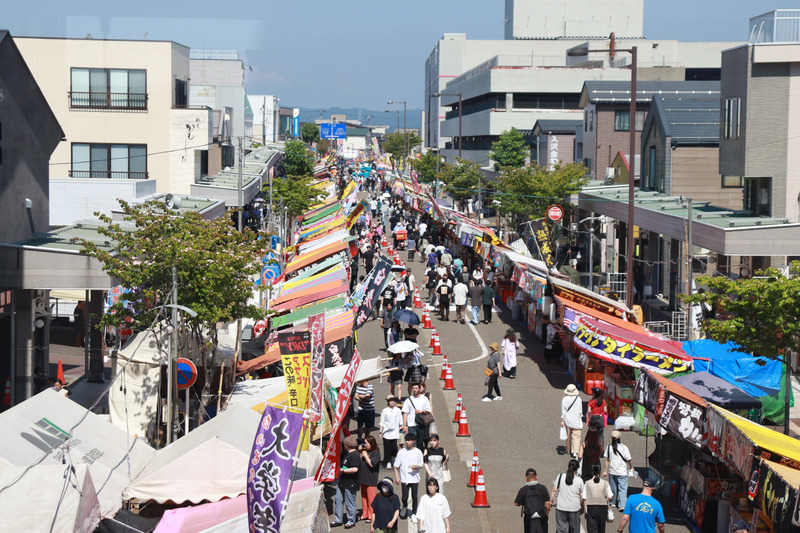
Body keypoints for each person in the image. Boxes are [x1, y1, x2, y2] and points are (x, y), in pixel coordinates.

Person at [393, 433, 424, 522]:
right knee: (404, 497)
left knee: (414, 496)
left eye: (409, 440)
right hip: (404, 478)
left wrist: (416, 466)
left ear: (413, 441)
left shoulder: (418, 452)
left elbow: (421, 464)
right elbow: (396, 466)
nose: (407, 442)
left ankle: (414, 513)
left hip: (415, 478)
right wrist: (397, 476)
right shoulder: (401, 452)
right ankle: (405, 506)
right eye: (406, 440)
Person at [332, 436, 361, 528]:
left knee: (349, 502)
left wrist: (343, 471)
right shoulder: (347, 454)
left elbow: (355, 469)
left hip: (351, 482)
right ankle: (338, 519)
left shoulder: (355, 455)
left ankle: (351, 520)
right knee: (338, 500)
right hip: (342, 481)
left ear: (347, 446)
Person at [603, 430, 633, 512]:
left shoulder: (609, 447)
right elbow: (628, 459)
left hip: (612, 471)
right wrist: (631, 467)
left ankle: (613, 502)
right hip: (622, 471)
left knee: (613, 488)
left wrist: (605, 470)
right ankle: (622, 505)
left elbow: (607, 460)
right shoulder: (624, 447)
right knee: (623, 489)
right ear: (620, 437)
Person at [552, 459, 585, 533]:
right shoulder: (579, 480)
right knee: (574, 529)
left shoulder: (560, 476)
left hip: (561, 507)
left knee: (561, 529)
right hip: (574, 508)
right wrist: (583, 507)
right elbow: (581, 496)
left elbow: (554, 490)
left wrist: (551, 502)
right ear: (577, 469)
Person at [515, 467, 551, 533]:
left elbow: (516, 503)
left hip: (529, 517)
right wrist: (546, 513)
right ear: (536, 477)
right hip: (541, 517)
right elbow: (548, 503)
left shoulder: (523, 490)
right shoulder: (542, 488)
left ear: (526, 478)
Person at [401, 382, 432, 451]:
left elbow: (428, 411)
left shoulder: (424, 399)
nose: (414, 390)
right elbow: (405, 413)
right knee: (412, 443)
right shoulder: (408, 400)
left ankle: (419, 459)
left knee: (420, 444)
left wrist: (421, 411)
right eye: (413, 388)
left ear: (419, 389)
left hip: (421, 424)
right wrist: (404, 426)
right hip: (412, 425)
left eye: (416, 388)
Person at [583, 464, 613, 533]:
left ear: (592, 472)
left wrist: (585, 511)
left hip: (591, 508)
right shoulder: (605, 483)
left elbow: (584, 498)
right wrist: (605, 500)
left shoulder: (587, 483)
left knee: (591, 529)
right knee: (601, 529)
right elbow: (610, 496)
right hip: (602, 509)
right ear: (600, 471)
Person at [359, 436, 382, 524]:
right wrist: (361, 452)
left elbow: (372, 464)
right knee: (364, 497)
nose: (365, 445)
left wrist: (366, 456)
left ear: (372, 444)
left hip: (371, 478)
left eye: (367, 443)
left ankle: (371, 515)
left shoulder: (376, 453)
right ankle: (365, 514)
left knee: (371, 498)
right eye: (364, 443)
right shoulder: (365, 451)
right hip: (363, 478)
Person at [380, 395, 403, 469]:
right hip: (386, 432)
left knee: (394, 447)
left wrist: (401, 428)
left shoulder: (398, 410)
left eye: (393, 400)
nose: (392, 402)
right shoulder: (385, 410)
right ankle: (388, 461)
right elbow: (382, 422)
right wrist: (380, 432)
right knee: (387, 448)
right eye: (390, 400)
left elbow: (401, 421)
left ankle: (393, 458)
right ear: (387, 402)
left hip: (395, 432)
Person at [561, 384, 584, 457]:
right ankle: (575, 451)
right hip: (576, 420)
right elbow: (580, 411)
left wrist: (562, 420)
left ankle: (568, 449)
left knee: (568, 435)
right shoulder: (578, 399)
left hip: (568, 419)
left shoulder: (565, 399)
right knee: (576, 436)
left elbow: (563, 411)